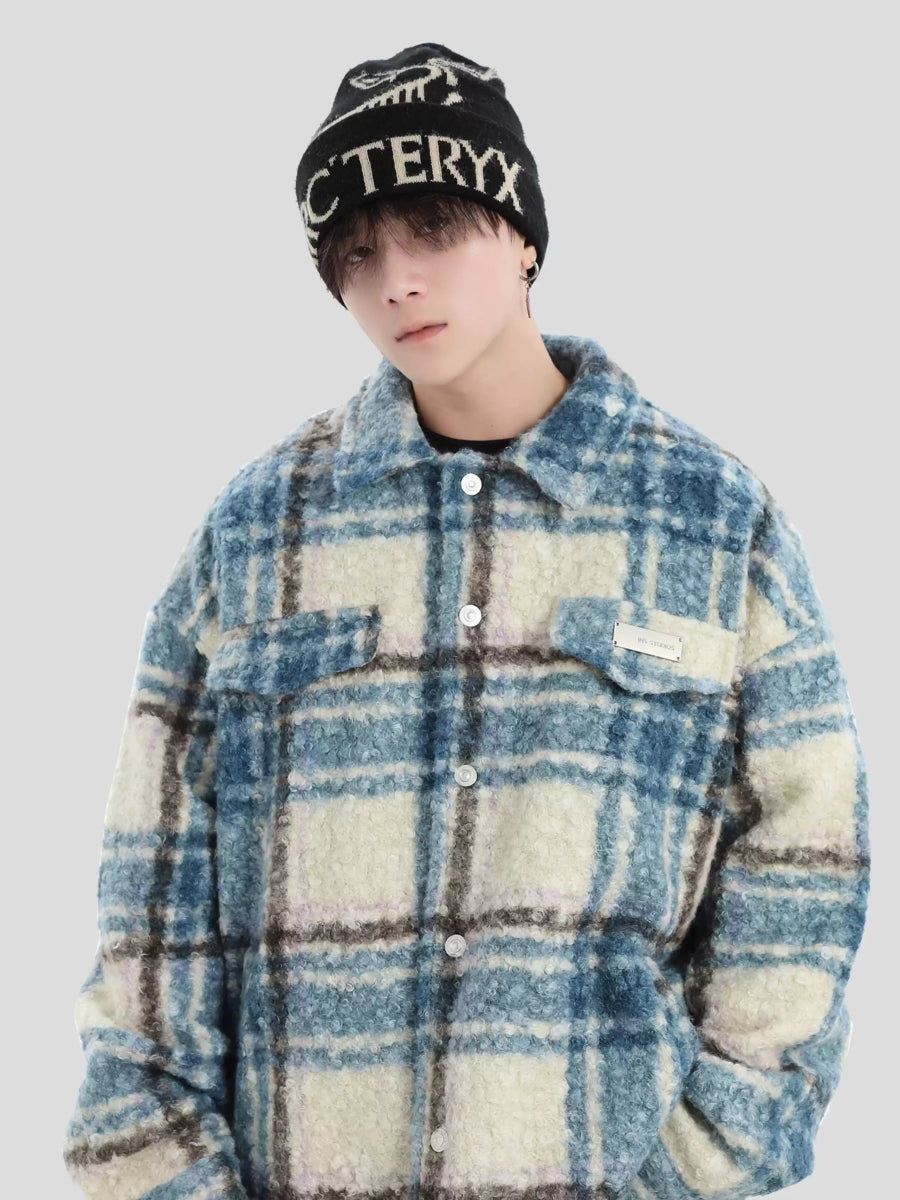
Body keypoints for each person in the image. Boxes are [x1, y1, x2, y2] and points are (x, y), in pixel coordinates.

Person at [63, 42, 870, 1200]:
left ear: (524, 234)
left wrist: (697, 1171)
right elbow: (150, 916)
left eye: (435, 227)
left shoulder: (713, 520)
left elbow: (806, 866)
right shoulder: (254, 534)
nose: (395, 280)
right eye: (356, 253)